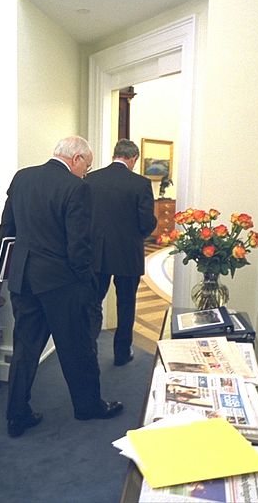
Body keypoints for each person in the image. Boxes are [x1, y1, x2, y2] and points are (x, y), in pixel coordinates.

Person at [0, 135, 123, 438]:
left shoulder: (22, 178)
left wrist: (9, 270)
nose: (86, 173)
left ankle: (16, 414)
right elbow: (78, 245)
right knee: (78, 347)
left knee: (25, 349)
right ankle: (88, 406)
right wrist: (88, 283)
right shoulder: (76, 188)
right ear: (76, 159)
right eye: (88, 166)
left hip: (24, 279)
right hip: (61, 283)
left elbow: (7, 228)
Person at [85, 139, 157, 366]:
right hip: (128, 255)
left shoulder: (91, 179)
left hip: (96, 254)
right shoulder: (141, 184)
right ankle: (122, 353)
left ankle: (89, 351)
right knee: (126, 304)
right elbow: (147, 223)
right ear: (133, 158)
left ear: (115, 154)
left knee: (93, 303)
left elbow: (82, 217)